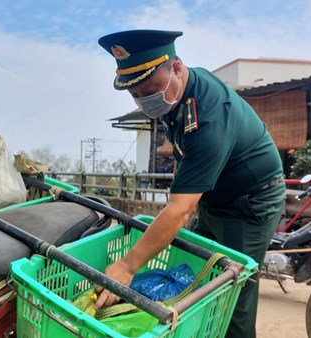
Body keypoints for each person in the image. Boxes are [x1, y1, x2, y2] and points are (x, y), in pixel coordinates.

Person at [94, 29, 285, 338]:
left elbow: (180, 209)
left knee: (231, 292)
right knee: (196, 277)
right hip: (212, 197)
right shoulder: (176, 97)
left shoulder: (209, 118)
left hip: (250, 203)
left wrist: (127, 267)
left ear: (177, 68)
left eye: (151, 89)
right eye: (136, 95)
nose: (146, 100)